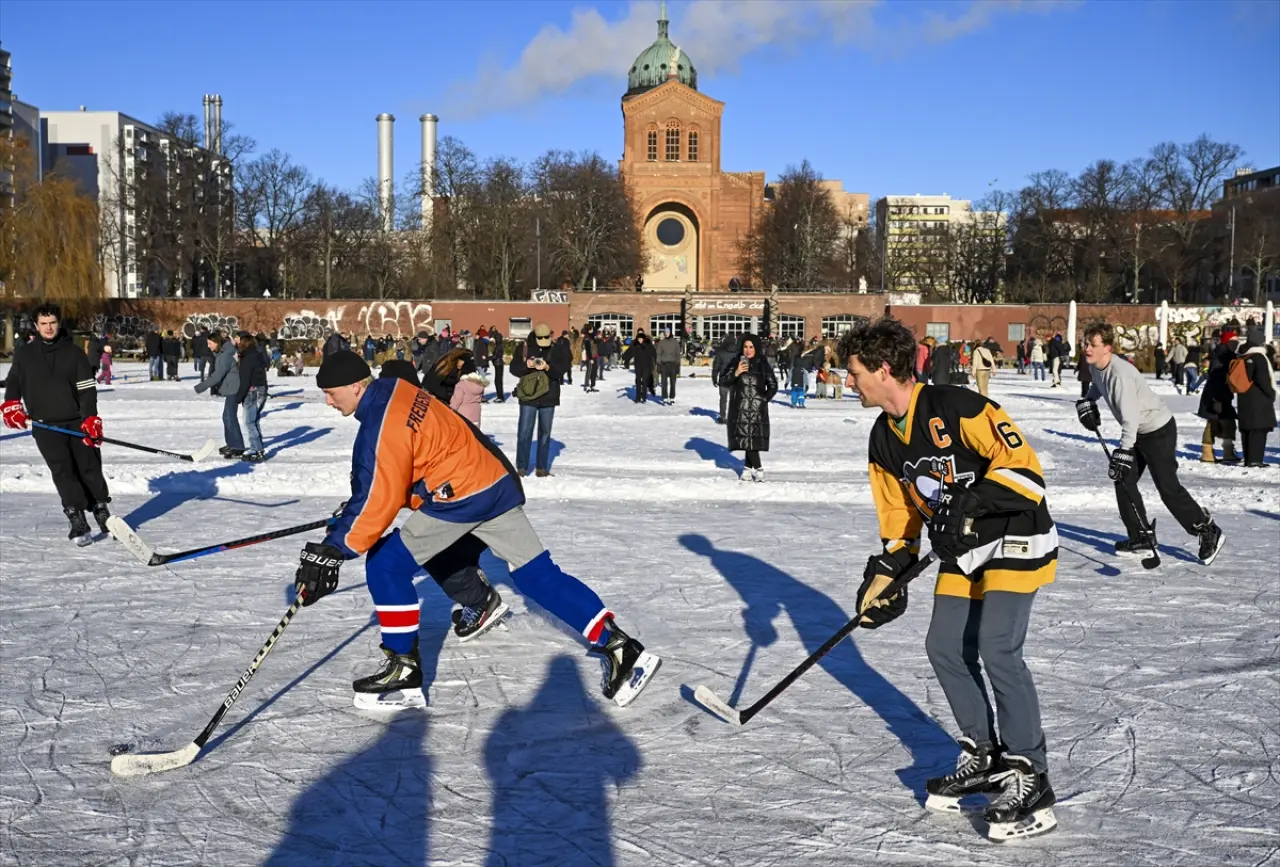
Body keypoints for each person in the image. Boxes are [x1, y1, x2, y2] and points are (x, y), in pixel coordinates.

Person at [294, 351, 660, 709]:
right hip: (492, 480)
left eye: (331, 393)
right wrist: (354, 513)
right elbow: (409, 465)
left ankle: (404, 669)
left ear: (356, 386)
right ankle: (620, 647)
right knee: (536, 575)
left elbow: (379, 494)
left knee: (385, 564)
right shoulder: (396, 389)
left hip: (463, 495)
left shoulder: (380, 423)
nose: (328, 401)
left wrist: (335, 548)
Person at [837, 316, 1058, 841]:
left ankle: (1031, 773)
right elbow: (899, 518)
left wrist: (971, 501)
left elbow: (1026, 471)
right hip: (962, 548)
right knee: (943, 646)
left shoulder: (958, 405)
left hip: (1016, 533)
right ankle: (985, 755)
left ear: (883, 369)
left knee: (997, 646)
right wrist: (889, 572)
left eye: (854, 372)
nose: (848, 382)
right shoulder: (882, 438)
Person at [1075, 322, 1224, 565]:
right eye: (1085, 343)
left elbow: (1130, 418)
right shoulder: (1096, 365)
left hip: (1158, 431)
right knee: (1123, 479)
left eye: (1092, 344)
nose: (1087, 348)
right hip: (1138, 432)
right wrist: (1088, 400)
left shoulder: (1120, 375)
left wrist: (1124, 451)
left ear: (1107, 348)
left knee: (1167, 488)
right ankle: (1141, 537)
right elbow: (1097, 384)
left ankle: (1207, 529)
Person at [2, 303, 112, 543]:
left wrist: (91, 418)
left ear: (58, 323)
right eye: (43, 323)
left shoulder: (74, 353)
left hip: (77, 422)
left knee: (89, 467)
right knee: (63, 471)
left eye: (52, 322)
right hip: (45, 425)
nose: (48, 327)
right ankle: (76, 517)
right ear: (36, 325)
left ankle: (100, 508)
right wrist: (11, 405)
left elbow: (87, 390)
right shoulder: (25, 354)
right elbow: (14, 383)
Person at [510, 323, 566, 477]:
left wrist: (547, 367)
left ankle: (541, 467)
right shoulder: (524, 347)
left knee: (545, 433)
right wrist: (526, 365)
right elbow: (514, 369)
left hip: (549, 396)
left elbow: (560, 372)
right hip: (528, 396)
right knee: (524, 432)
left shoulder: (556, 348)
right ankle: (521, 467)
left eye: (546, 337)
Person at [718, 333, 776, 482]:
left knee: (751, 440)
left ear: (756, 348)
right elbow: (723, 381)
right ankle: (750, 469)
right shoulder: (735, 361)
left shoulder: (762, 363)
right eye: (745, 347)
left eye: (751, 347)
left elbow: (773, 385)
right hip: (740, 409)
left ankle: (755, 469)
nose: (748, 350)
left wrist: (763, 400)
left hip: (757, 410)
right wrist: (736, 372)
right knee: (747, 440)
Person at [194, 331, 245, 458]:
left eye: (210, 343)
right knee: (226, 417)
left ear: (217, 343)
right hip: (231, 388)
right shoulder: (223, 354)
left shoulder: (225, 356)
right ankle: (231, 443)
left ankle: (237, 446)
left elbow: (217, 376)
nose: (208, 346)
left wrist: (200, 387)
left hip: (234, 389)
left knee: (230, 417)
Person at [1234, 329, 1277, 467]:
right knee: (1258, 430)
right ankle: (1255, 460)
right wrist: (1271, 393)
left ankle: (1248, 459)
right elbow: (1262, 378)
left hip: (1244, 396)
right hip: (1258, 398)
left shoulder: (1242, 355)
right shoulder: (1259, 357)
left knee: (1247, 430)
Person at [1196, 340, 1240, 464]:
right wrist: (1217, 398)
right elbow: (1217, 377)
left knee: (1222, 422)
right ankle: (1211, 452)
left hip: (1219, 394)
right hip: (1217, 395)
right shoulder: (1222, 356)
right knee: (1216, 423)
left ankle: (1222, 451)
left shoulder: (1223, 355)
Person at [235, 332, 268, 462]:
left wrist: (238, 398)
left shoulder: (248, 357)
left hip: (252, 391)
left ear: (243, 342)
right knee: (254, 420)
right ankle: (258, 446)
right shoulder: (257, 353)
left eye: (237, 339)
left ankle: (256, 448)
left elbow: (245, 379)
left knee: (249, 421)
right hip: (260, 389)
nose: (235, 341)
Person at [622, 330, 657, 403]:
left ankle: (644, 396)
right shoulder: (635, 345)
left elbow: (654, 353)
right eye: (639, 339)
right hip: (638, 365)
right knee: (638, 381)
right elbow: (630, 352)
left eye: (641, 339)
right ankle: (637, 397)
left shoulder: (648, 345)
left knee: (644, 381)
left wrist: (655, 362)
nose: (640, 340)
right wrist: (625, 357)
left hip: (646, 366)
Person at [711, 336, 736, 424]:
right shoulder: (738, 352)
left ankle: (723, 417)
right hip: (735, 379)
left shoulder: (720, 353)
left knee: (723, 399)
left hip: (723, 379)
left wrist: (714, 378)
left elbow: (716, 367)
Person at [656, 329, 681, 405]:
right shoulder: (661, 343)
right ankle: (665, 397)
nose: (666, 334)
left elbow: (677, 354)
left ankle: (672, 397)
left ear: (670, 333)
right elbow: (659, 354)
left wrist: (678, 365)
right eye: (665, 332)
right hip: (664, 364)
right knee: (664, 382)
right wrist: (658, 364)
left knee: (673, 382)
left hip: (673, 364)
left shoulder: (675, 342)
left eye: (668, 332)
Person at [489, 326, 506, 401]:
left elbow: (496, 355)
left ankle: (500, 397)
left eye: (495, 338)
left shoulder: (499, 345)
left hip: (499, 364)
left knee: (498, 381)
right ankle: (500, 396)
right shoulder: (499, 345)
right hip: (497, 364)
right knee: (497, 381)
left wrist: (488, 358)